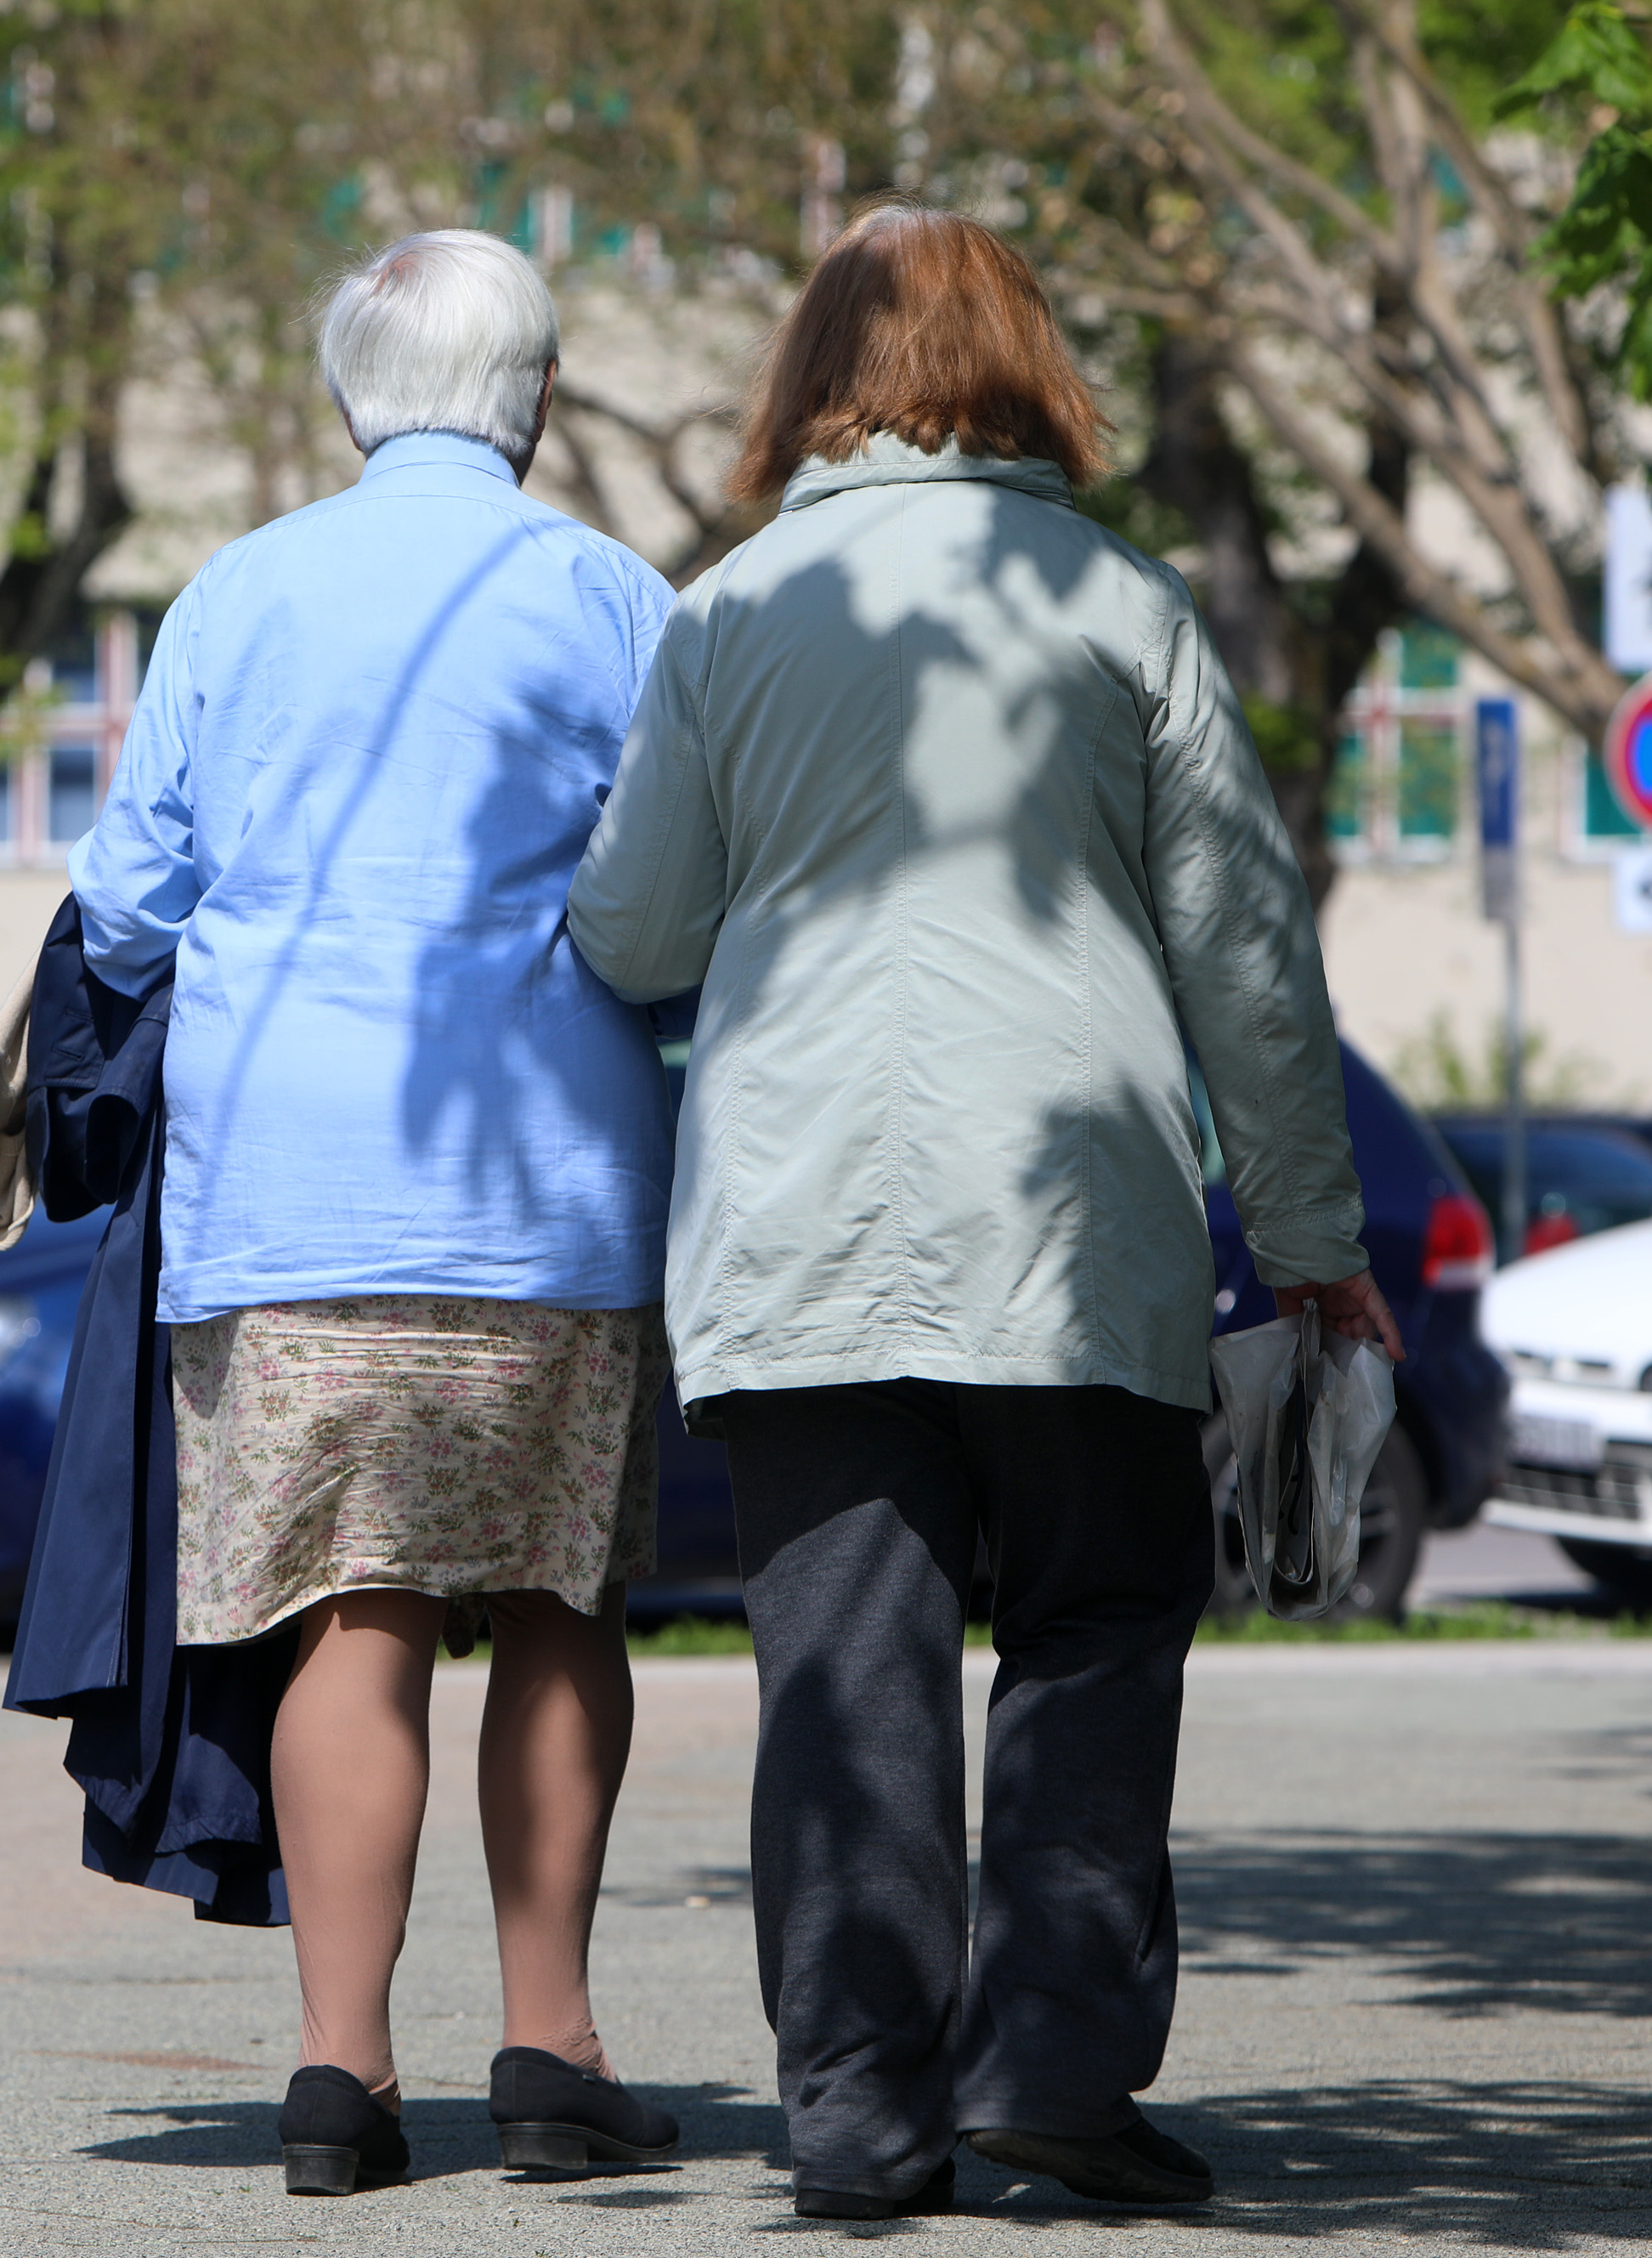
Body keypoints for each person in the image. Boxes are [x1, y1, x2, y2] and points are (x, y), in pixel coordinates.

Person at [566, 203, 1400, 2221]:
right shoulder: (1122, 606)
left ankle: (857, 2110)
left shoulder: (725, 616)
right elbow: (1245, 957)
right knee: (1096, 1623)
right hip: (1075, 1220)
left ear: (810, 376)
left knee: (839, 1667)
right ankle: (1052, 2068)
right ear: (1029, 364)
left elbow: (636, 927)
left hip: (799, 1223)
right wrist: (1311, 1239)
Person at [67, 229, 684, 2197]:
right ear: (538, 396)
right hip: (546, 1184)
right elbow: (678, 896)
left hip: (286, 1192)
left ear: (352, 393)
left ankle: (339, 2071)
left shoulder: (236, 590)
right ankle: (550, 2046)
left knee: (355, 1610)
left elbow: (125, 904)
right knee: (560, 1601)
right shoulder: (613, 597)